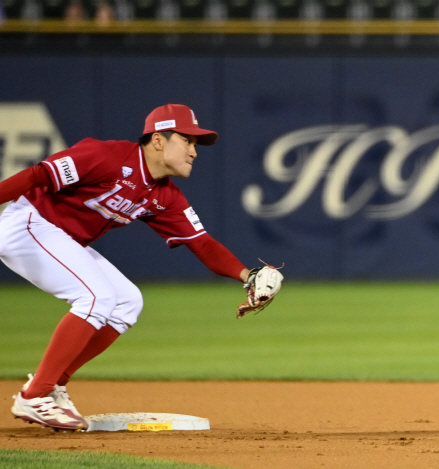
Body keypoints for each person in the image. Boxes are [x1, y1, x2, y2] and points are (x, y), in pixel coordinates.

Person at [0, 104, 282, 431]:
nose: (194, 152)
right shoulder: (106, 156)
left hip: (61, 237)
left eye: (196, 144)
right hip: (28, 223)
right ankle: (34, 397)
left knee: (127, 302)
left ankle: (53, 386)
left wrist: (248, 276)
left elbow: (202, 243)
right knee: (96, 298)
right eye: (188, 141)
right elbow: (38, 175)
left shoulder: (164, 195)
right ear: (159, 140)